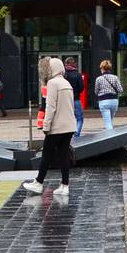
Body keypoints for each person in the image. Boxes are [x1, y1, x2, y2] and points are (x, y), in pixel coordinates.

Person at [23, 57, 75, 199]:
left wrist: (46, 125)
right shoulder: (66, 83)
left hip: (56, 127)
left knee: (46, 154)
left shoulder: (52, 83)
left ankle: (38, 183)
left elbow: (50, 107)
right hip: (69, 126)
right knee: (64, 155)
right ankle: (65, 186)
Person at [94, 60, 122, 130]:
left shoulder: (99, 79)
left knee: (108, 122)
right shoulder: (115, 77)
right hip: (114, 101)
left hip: (104, 101)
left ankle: (111, 137)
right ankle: (111, 134)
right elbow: (120, 90)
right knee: (110, 121)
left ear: (102, 68)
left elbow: (96, 91)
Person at [64, 57, 85, 139]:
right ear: (74, 64)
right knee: (79, 118)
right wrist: (76, 93)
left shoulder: (63, 74)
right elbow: (81, 87)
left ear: (66, 64)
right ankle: (76, 134)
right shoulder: (77, 74)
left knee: (67, 118)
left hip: (65, 100)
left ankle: (67, 135)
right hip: (75, 99)